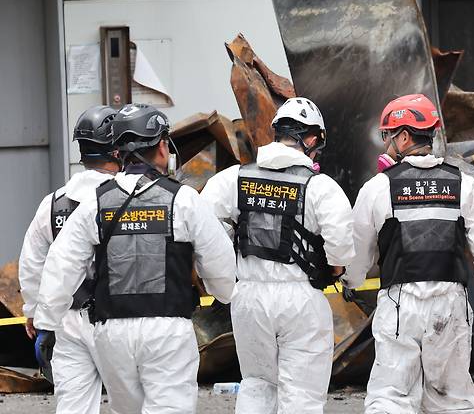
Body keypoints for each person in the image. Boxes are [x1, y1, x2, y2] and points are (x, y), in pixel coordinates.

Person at [33, 103, 236, 414]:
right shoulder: (182, 200)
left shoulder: (96, 204)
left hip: (111, 334)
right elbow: (220, 264)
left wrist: (46, 324)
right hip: (167, 331)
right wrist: (222, 291)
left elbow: (62, 266)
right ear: (162, 147)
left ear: (119, 152)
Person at [342, 94, 474, 414]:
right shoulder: (461, 183)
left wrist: (351, 281)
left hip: (399, 307)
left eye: (388, 137)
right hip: (449, 307)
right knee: (452, 400)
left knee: (391, 398)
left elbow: (357, 245)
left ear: (404, 136)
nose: (386, 146)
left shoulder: (379, 188)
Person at [200, 97, 355, 413]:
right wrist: (337, 271)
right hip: (300, 300)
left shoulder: (235, 178)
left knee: (257, 385)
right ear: (311, 139)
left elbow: (205, 225)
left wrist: (228, 269)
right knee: (301, 394)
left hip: (248, 299)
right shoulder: (320, 187)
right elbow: (339, 244)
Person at [19, 105, 119, 413]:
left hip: (67, 322)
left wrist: (34, 310)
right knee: (131, 403)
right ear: (118, 149)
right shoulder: (129, 200)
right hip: (120, 318)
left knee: (74, 406)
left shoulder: (53, 204)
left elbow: (33, 260)